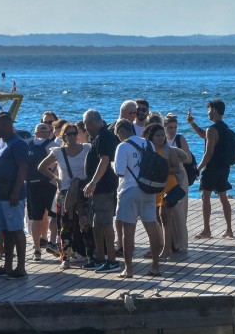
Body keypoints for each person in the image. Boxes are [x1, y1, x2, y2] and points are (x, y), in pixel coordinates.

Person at [113, 120, 164, 278]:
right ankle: (155, 266)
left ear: (121, 132)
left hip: (129, 190)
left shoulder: (123, 146)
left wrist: (112, 166)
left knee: (128, 231)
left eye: (118, 134)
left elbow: (120, 172)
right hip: (148, 189)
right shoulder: (149, 144)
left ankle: (129, 270)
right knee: (151, 228)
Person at [38, 122, 92, 269]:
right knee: (65, 226)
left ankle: (90, 256)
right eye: (69, 134)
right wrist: (56, 179)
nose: (73, 137)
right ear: (64, 136)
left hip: (83, 191)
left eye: (75, 133)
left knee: (85, 223)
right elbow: (42, 167)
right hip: (65, 192)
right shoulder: (58, 152)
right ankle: (66, 257)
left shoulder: (86, 148)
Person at [0, 112, 30, 279]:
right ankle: (7, 266)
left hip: (11, 195)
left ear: (6, 126)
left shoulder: (18, 144)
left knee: (16, 230)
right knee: (4, 231)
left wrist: (15, 191)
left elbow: (23, 168)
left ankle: (21, 267)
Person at [187, 99, 235, 239]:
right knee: (223, 197)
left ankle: (207, 230)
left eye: (209, 109)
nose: (207, 112)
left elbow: (208, 153)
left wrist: (198, 168)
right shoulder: (224, 128)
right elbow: (205, 135)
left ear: (214, 111)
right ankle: (229, 229)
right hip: (224, 167)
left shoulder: (212, 130)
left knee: (206, 196)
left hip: (212, 168)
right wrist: (192, 124)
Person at [82, 109, 121, 273]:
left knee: (105, 223)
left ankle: (112, 260)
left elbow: (104, 160)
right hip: (97, 190)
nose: (85, 128)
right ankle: (100, 257)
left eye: (86, 124)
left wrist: (93, 181)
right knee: (97, 223)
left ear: (90, 123)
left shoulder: (104, 137)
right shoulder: (98, 137)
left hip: (104, 187)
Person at [145, 122, 190, 260]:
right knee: (156, 219)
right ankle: (160, 246)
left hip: (168, 187)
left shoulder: (168, 150)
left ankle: (167, 249)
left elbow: (177, 168)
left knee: (166, 217)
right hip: (154, 188)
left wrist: (162, 170)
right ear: (150, 137)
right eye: (157, 136)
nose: (160, 138)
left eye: (161, 135)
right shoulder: (147, 150)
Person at [25, 121, 59, 261]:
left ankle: (37, 249)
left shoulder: (28, 145)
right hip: (49, 184)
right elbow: (58, 164)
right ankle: (52, 241)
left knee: (35, 218)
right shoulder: (53, 145)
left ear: (36, 133)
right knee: (54, 215)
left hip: (32, 185)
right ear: (49, 133)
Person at [163, 114, 193, 255]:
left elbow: (188, 158)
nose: (173, 130)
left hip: (180, 175)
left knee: (180, 209)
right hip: (167, 176)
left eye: (175, 127)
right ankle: (172, 242)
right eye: (170, 127)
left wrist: (174, 154)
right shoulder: (161, 140)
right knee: (169, 209)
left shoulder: (180, 139)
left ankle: (182, 243)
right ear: (164, 127)